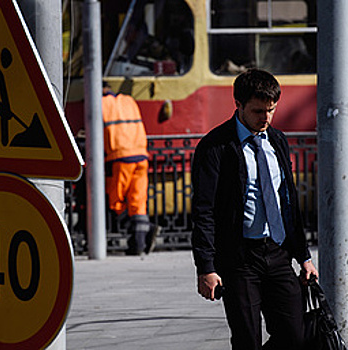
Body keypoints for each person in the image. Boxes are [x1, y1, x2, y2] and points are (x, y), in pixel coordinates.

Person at [191, 68, 319, 349]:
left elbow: (288, 201)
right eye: (258, 111)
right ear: (238, 105)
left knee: (295, 336)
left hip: (278, 253)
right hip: (239, 260)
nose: (266, 118)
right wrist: (206, 267)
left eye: (271, 110)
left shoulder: (277, 140)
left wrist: (304, 256)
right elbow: (203, 211)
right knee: (247, 339)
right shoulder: (215, 147)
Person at [102, 82, 160, 256]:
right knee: (138, 202)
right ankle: (138, 245)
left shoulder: (100, 103)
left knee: (116, 201)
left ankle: (146, 230)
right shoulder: (128, 101)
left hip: (119, 157)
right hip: (141, 156)